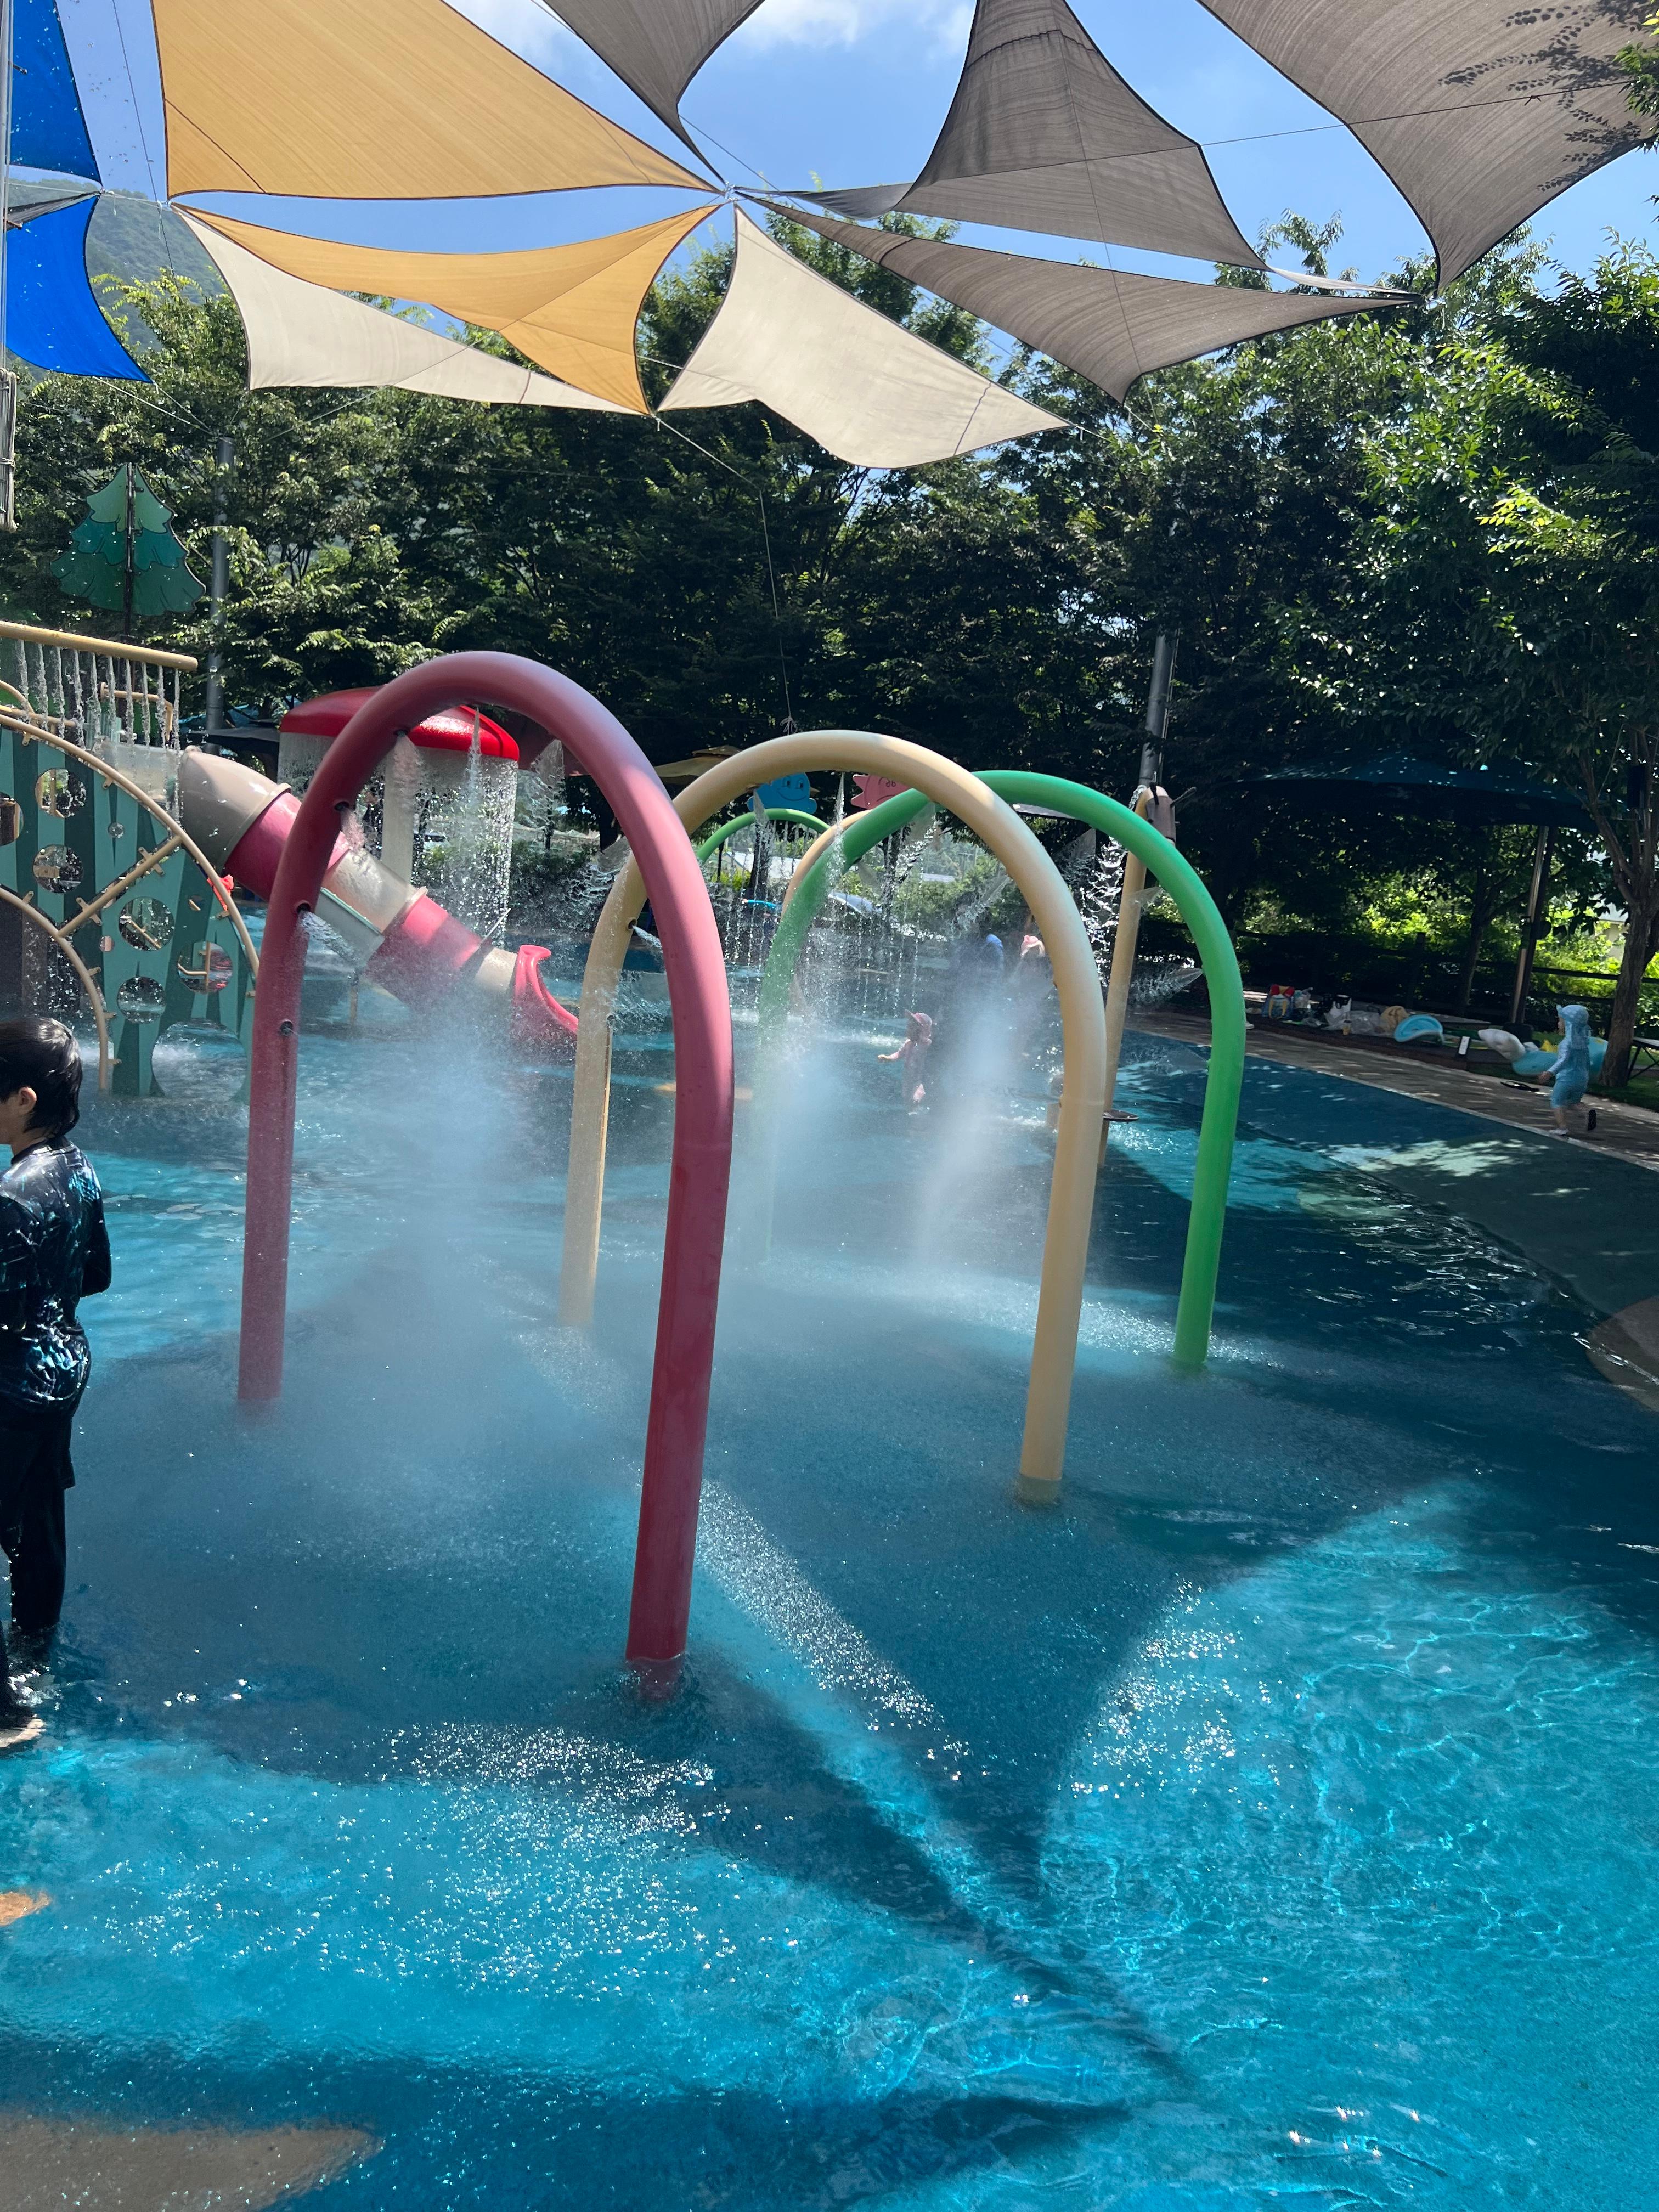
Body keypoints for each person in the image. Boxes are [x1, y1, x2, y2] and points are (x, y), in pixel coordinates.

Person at [0, 1019, 110, 1751]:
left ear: (23, 1100)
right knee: (37, 1521)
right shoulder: (79, 1170)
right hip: (61, 1371)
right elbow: (96, 1274)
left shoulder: (12, 1195)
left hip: (9, 1385)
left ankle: (8, 1715)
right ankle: (34, 1655)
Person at [1536, 1002, 1599, 1137]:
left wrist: (1549, 1072)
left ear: (1569, 1024)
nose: (1558, 1024)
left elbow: (1563, 1060)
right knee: (1574, 1102)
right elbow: (1588, 1062)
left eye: (1561, 1021)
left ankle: (1562, 1128)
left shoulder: (1566, 1043)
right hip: (1582, 1078)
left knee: (1557, 1101)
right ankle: (1588, 1112)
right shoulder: (1583, 1043)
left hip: (1566, 1078)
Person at [877, 1011, 932, 1110]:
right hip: (908, 1076)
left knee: (916, 1098)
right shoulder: (909, 1044)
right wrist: (888, 1058)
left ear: (922, 1030)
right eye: (909, 1027)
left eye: (911, 1028)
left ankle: (918, 1112)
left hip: (921, 1079)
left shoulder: (928, 1046)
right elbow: (899, 1054)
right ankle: (911, 1111)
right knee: (906, 1097)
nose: (908, 1029)